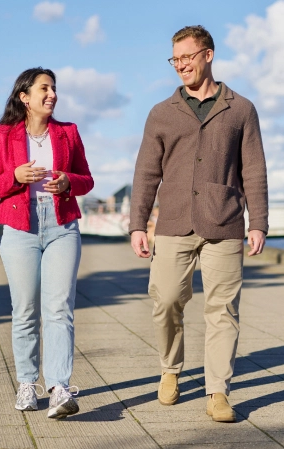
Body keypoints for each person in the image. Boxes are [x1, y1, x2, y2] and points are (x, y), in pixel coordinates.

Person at [129, 26, 268, 422]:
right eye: (175, 59)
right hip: (173, 221)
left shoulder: (240, 109)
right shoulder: (161, 112)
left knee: (223, 309)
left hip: (224, 220)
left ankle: (218, 391)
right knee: (167, 299)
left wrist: (258, 222)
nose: (180, 65)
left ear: (208, 55)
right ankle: (170, 369)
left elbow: (254, 170)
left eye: (187, 57)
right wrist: (139, 224)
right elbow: (145, 173)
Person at [0, 67, 94, 419]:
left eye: (54, 88)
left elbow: (87, 180)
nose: (52, 94)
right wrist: (14, 177)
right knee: (25, 311)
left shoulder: (68, 132)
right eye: (44, 88)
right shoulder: (1, 135)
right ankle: (27, 383)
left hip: (62, 225)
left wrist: (67, 182)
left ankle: (59, 387)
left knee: (60, 308)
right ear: (24, 97)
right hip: (20, 227)